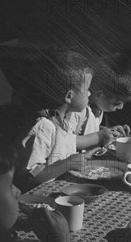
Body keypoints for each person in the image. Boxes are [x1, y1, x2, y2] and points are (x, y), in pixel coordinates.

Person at [14, 49, 120, 190]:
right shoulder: (42, 127)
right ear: (69, 96)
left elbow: (65, 146)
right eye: (86, 89)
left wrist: (87, 152)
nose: (89, 93)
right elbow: (27, 178)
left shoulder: (63, 121)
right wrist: (67, 164)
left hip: (54, 188)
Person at [68, 52, 131, 140]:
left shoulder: (98, 106)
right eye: (117, 103)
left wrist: (108, 131)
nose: (121, 107)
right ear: (99, 93)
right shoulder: (77, 110)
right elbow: (67, 142)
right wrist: (98, 137)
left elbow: (86, 132)